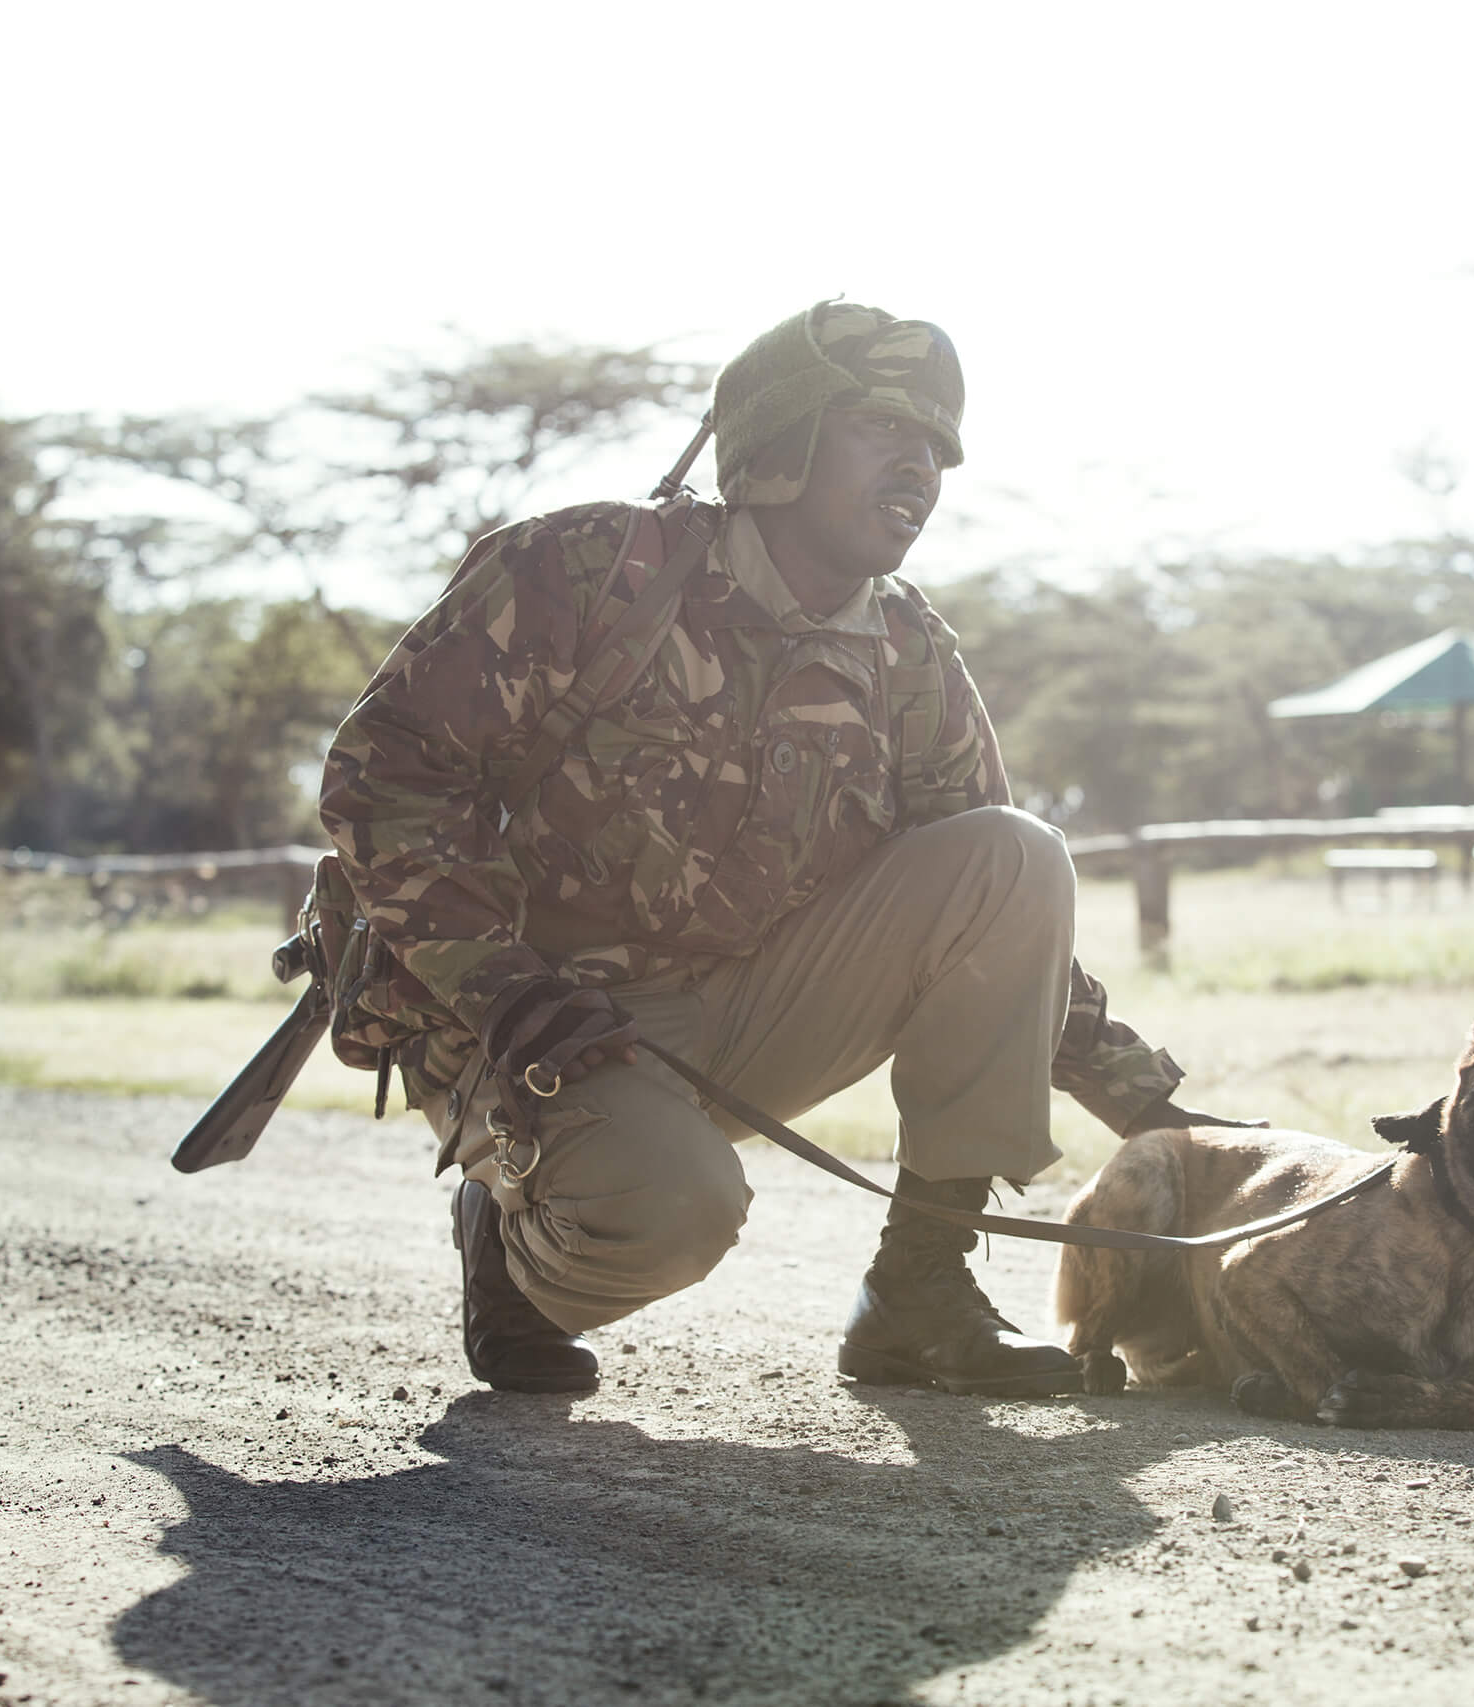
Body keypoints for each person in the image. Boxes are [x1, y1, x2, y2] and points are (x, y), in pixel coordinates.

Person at [319, 301, 1240, 1398]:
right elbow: (381, 776)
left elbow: (999, 924)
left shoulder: (907, 652)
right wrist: (504, 989)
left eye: (936, 447)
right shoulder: (584, 571)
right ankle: (515, 1254)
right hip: (533, 1025)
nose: (920, 466)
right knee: (674, 1216)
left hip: (748, 1012)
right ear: (780, 441)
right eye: (881, 429)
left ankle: (919, 1293)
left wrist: (1158, 1116)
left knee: (1012, 851)